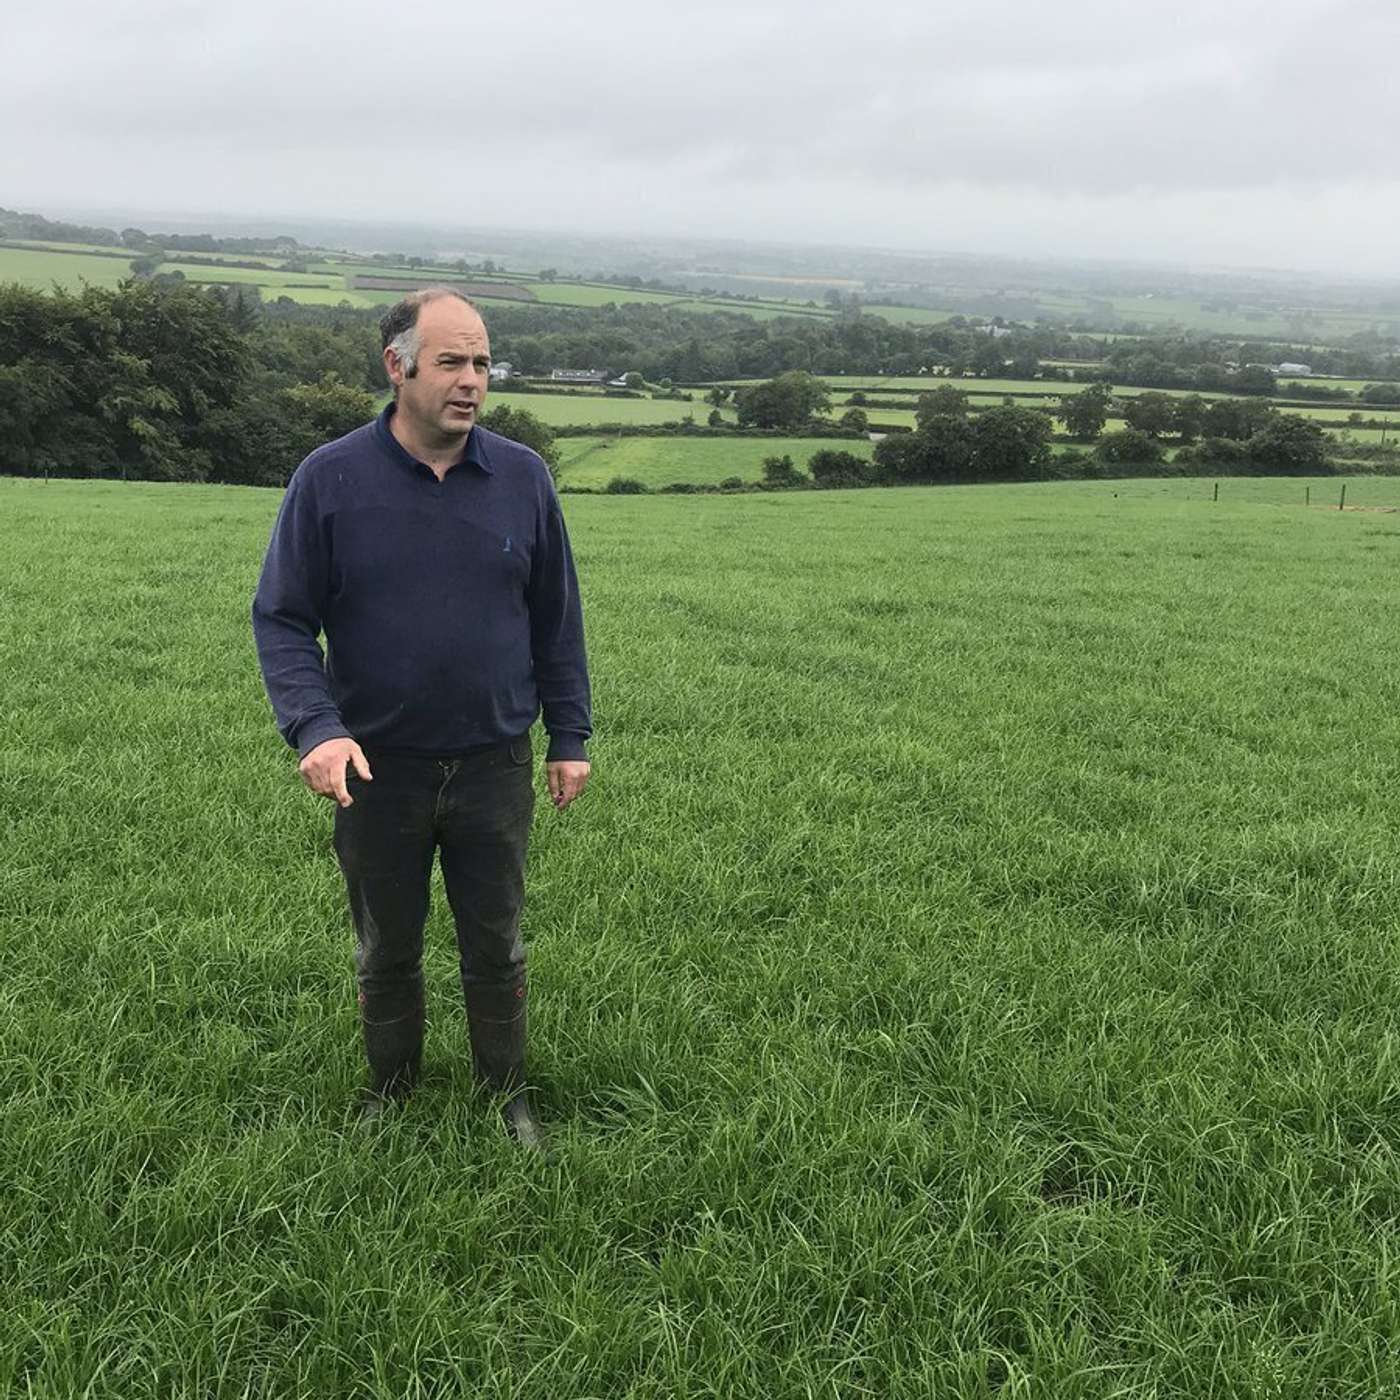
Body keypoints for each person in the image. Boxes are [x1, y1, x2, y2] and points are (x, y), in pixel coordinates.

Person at [252, 288, 591, 1150]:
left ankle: (507, 1096)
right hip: (378, 768)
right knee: (386, 948)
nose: (472, 380)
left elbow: (556, 615)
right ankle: (390, 1089)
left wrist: (571, 735)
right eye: (451, 361)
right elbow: (283, 617)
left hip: (494, 764)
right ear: (396, 366)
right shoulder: (329, 480)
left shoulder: (523, 478)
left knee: (498, 946)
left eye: (482, 362)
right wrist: (315, 727)